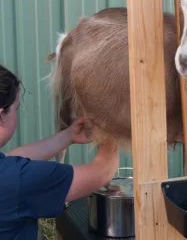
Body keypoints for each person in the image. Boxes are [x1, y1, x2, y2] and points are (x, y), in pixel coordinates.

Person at [0, 64, 119, 240]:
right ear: (1, 114)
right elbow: (103, 172)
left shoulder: (8, 172)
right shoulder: (16, 180)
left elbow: (12, 159)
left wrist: (68, 136)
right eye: (16, 109)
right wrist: (111, 132)